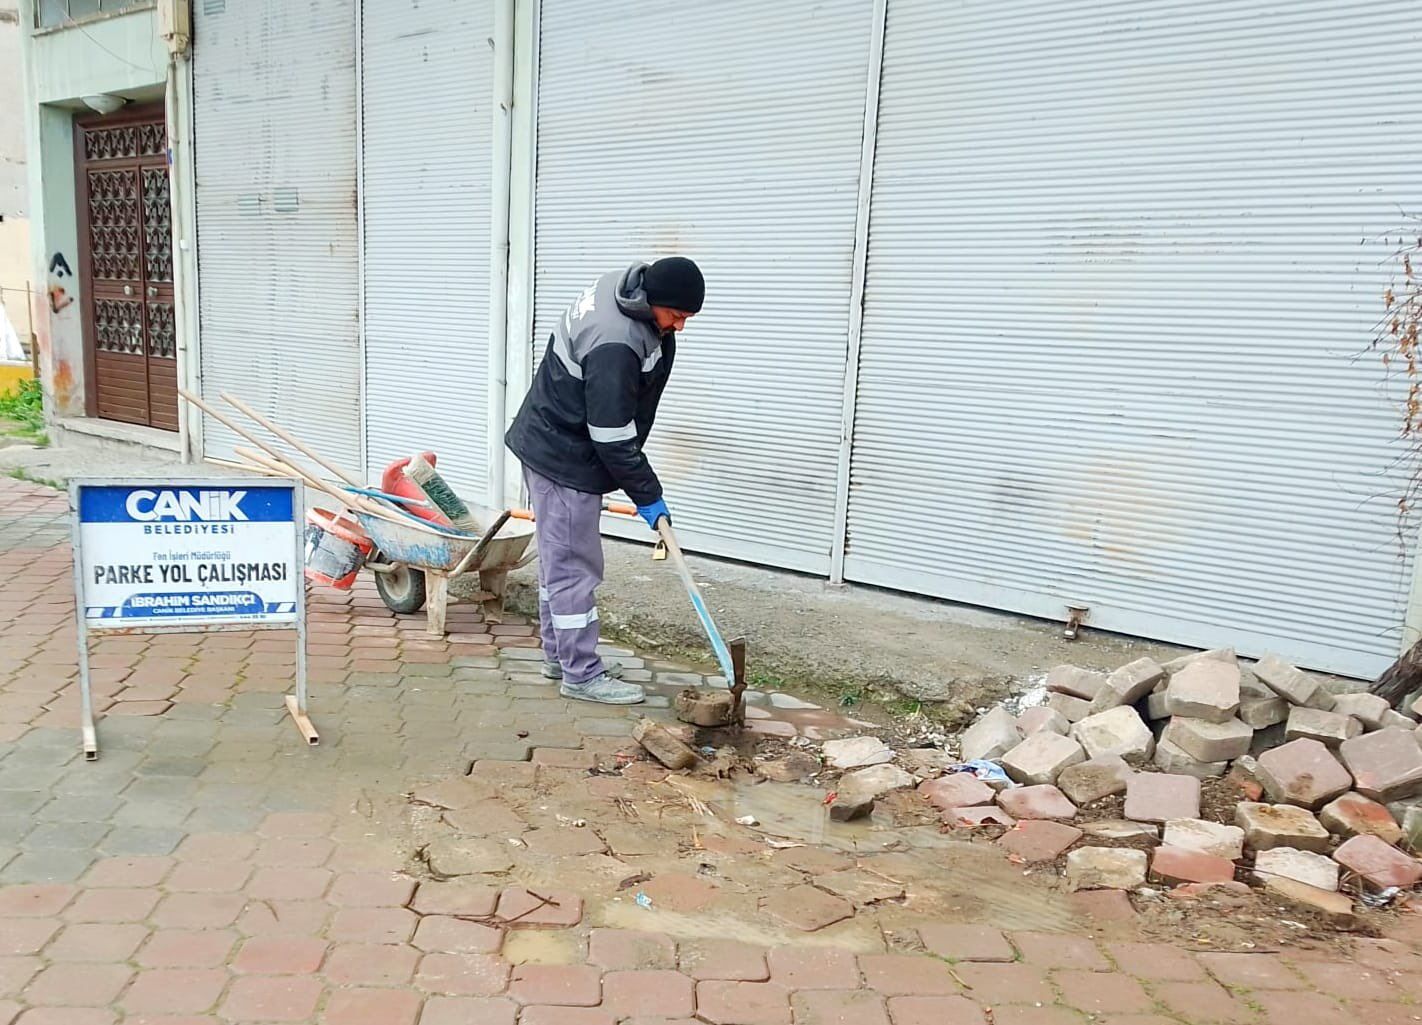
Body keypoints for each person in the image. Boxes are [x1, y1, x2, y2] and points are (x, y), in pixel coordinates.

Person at [506, 257, 704, 704]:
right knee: (574, 568)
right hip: (564, 457)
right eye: (676, 316)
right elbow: (612, 435)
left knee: (558, 564)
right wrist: (649, 496)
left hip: (555, 442)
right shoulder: (616, 341)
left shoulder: (626, 290)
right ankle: (581, 674)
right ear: (653, 300)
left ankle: (560, 656)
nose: (680, 327)